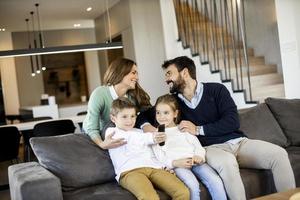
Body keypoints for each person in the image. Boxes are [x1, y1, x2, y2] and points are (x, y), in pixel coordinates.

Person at [140, 56, 295, 200]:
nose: (166, 79)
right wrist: (147, 126)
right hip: (211, 149)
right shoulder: (173, 103)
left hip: (239, 143)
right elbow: (142, 116)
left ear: (185, 73)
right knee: (227, 163)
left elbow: (232, 121)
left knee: (279, 154)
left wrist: (198, 129)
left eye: (169, 74)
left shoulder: (217, 90)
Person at [105, 97, 190, 200]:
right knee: (150, 198)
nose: (130, 120)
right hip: (130, 172)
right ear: (113, 118)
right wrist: (152, 137)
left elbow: (152, 152)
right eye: (124, 116)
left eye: (133, 116)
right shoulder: (112, 132)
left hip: (154, 168)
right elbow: (130, 139)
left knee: (183, 192)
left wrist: (164, 166)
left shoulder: (139, 132)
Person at [152, 94, 227, 200]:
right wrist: (175, 163)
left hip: (195, 162)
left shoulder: (183, 128)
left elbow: (198, 146)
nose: (161, 116)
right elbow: (160, 157)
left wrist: (199, 156)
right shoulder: (157, 134)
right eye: (158, 112)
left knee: (215, 180)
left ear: (175, 113)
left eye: (166, 113)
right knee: (192, 185)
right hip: (178, 165)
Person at [82, 58, 152, 149]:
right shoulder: (99, 94)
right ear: (121, 73)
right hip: (96, 133)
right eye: (134, 73)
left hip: (117, 130)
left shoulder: (132, 97)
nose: (137, 78)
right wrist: (101, 144)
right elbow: (92, 128)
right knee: (112, 124)